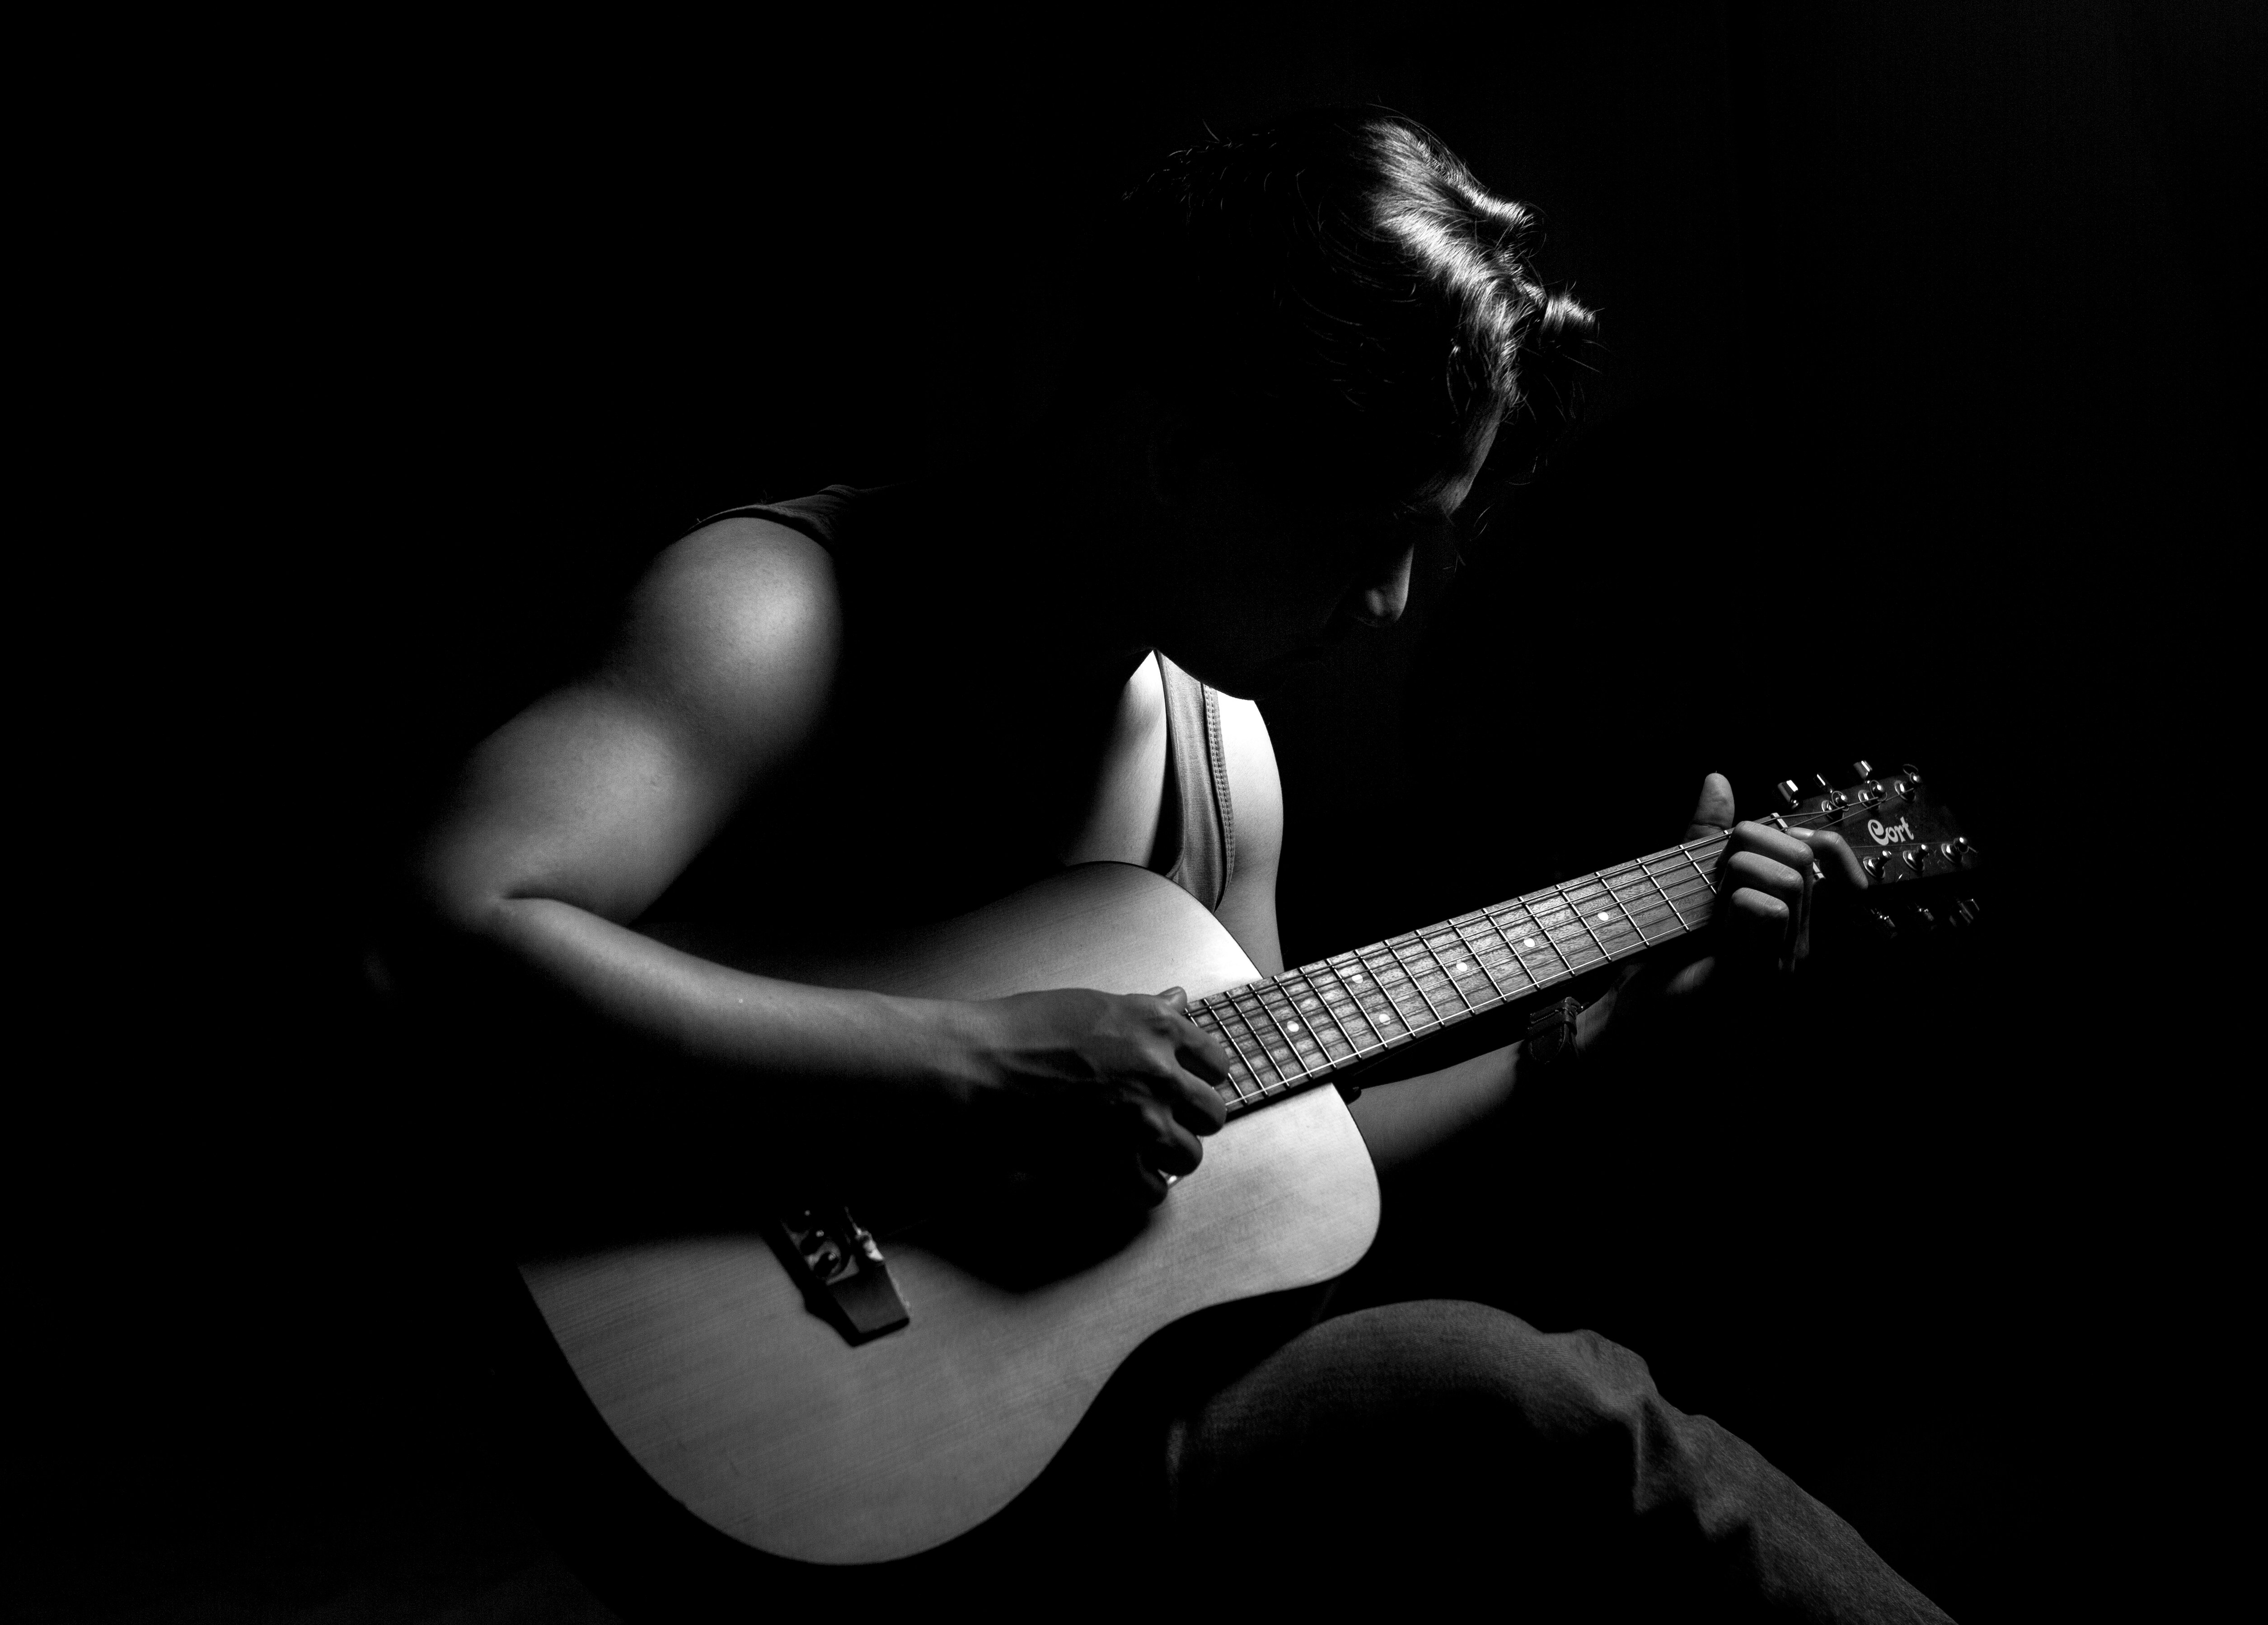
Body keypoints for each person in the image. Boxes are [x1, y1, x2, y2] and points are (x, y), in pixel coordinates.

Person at [392, 110, 1955, 1620]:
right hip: (775, 1453)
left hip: (1083, 1444)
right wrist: (964, 1064)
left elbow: (1271, 1158)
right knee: (1552, 1400)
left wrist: (1598, 1030)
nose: (1398, 600)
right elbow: (446, 919)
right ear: (1180, 451)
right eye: (1374, 528)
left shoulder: (1221, 754)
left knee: (1543, 1425)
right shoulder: (783, 618)